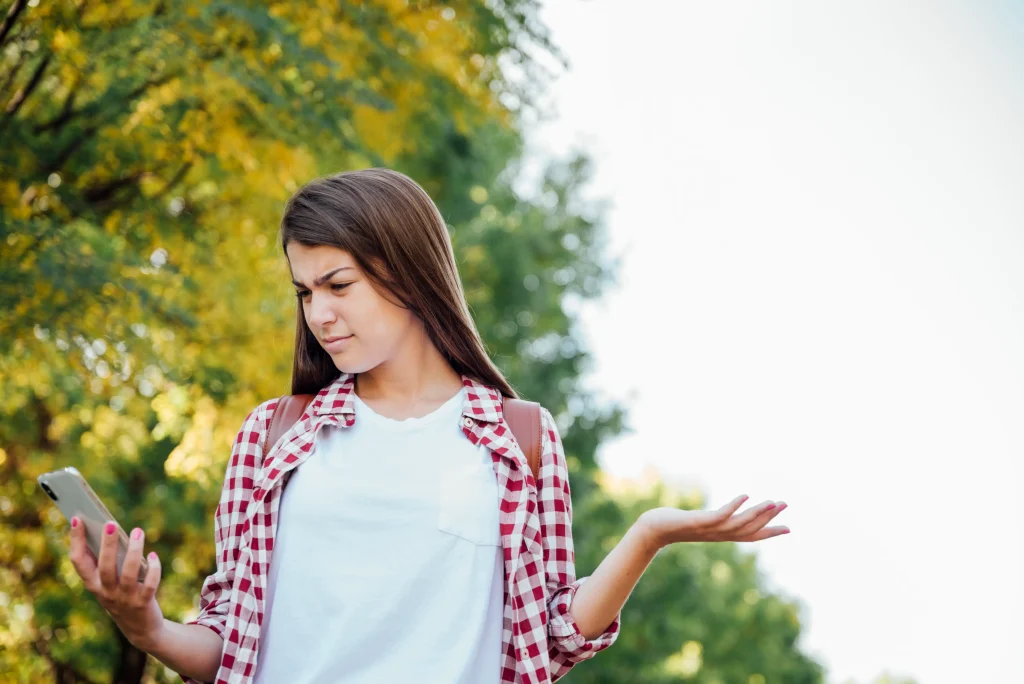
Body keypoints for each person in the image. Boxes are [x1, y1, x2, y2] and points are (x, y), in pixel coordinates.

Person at [66, 168, 790, 684]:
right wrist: (147, 626)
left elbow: (555, 634)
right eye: (305, 291)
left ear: (408, 273)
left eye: (339, 285)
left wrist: (649, 534)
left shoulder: (519, 438)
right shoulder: (273, 436)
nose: (319, 314)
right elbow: (228, 644)